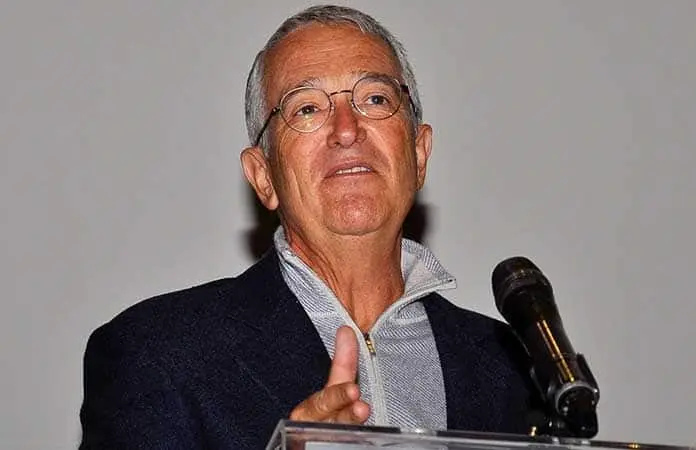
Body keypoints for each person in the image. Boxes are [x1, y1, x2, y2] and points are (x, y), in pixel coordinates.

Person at [79, 5, 539, 449]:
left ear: (419, 155)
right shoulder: (158, 355)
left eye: (375, 99)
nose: (346, 129)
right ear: (264, 176)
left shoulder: (514, 368)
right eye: (306, 109)